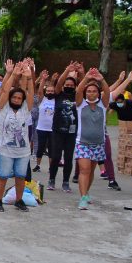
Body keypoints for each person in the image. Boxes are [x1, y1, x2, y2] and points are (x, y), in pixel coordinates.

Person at [0, 59, 36, 212]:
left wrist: (29, 77)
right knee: (3, 176)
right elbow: (4, 91)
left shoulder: (26, 109)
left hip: (23, 151)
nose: (17, 100)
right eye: (14, 98)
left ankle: (19, 200)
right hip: (4, 150)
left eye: (19, 98)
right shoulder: (3, 108)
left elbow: (30, 93)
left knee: (20, 176)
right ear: (10, 99)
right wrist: (11, 74)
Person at [73, 67, 111, 210]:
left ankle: (86, 192)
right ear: (85, 93)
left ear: (98, 93)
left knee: (91, 171)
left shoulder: (103, 104)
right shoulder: (80, 105)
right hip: (82, 143)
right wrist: (86, 78)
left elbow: (107, 92)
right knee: (84, 169)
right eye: (88, 91)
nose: (91, 93)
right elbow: (78, 91)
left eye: (94, 91)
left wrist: (101, 80)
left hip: (98, 144)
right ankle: (82, 198)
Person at [48, 62, 81, 192]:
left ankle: (66, 181)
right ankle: (52, 179)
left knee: (68, 158)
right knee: (55, 157)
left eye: (71, 85)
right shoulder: (59, 95)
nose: (69, 86)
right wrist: (67, 70)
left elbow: (82, 85)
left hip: (71, 132)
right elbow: (59, 84)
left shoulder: (77, 96)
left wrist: (81, 74)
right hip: (57, 131)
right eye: (67, 85)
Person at [32, 71, 56, 173]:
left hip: (52, 129)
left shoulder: (56, 100)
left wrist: (54, 81)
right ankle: (38, 165)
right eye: (48, 91)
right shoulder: (43, 100)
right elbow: (40, 90)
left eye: (52, 91)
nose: (50, 92)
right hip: (41, 128)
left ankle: (51, 167)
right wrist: (43, 79)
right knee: (40, 148)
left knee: (51, 149)